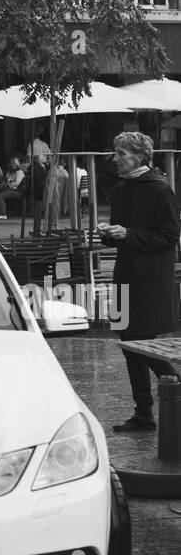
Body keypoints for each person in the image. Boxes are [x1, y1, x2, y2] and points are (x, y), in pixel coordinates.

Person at [101, 132, 181, 432]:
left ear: (139, 156)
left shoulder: (160, 189)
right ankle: (143, 412)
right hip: (125, 274)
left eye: (120, 153)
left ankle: (168, 394)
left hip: (150, 279)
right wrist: (109, 233)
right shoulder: (122, 188)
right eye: (116, 152)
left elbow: (171, 235)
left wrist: (129, 235)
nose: (115, 158)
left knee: (140, 344)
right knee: (127, 343)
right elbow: (122, 231)